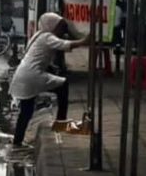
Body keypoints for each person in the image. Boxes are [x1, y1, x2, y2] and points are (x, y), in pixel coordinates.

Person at [10, 13, 88, 146]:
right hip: (32, 75)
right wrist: (83, 42)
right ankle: (61, 122)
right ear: (51, 26)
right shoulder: (47, 36)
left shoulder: (38, 35)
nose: (61, 31)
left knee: (26, 111)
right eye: (59, 27)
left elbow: (37, 56)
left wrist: (50, 66)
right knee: (63, 85)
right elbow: (64, 45)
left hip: (23, 75)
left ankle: (17, 140)